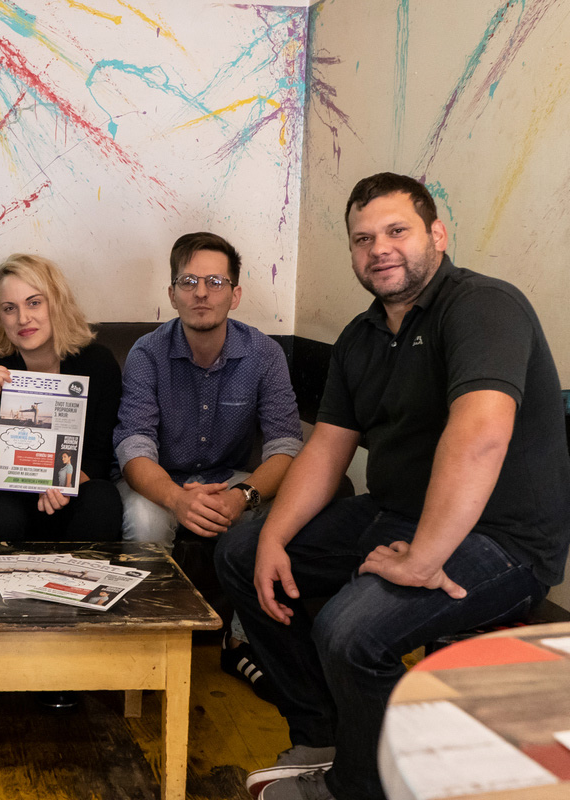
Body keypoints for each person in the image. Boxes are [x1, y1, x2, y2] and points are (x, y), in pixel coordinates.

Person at [215, 173, 570, 800]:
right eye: (363, 239)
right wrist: (271, 535)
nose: (379, 248)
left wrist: (425, 556)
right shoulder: (361, 335)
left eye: (396, 231)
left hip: (501, 538)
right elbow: (327, 448)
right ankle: (324, 735)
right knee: (241, 554)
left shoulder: (484, 305)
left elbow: (481, 433)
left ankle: (361, 786)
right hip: (394, 514)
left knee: (349, 631)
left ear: (437, 234)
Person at [112, 232, 303, 698]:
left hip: (228, 480)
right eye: (189, 281)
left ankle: (239, 642)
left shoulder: (264, 354)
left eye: (215, 282)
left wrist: (243, 497)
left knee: (285, 509)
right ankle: (147, 643)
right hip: (159, 480)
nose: (201, 292)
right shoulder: (146, 353)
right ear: (172, 293)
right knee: (143, 517)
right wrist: (176, 498)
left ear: (234, 294)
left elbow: (285, 446)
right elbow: (134, 446)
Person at [0, 254, 122, 541]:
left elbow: (98, 461)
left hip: (69, 490)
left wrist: (60, 485)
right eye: (9, 308)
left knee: (102, 498)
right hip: (5, 497)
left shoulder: (98, 364)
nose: (23, 319)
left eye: (34, 303)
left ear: (56, 303)